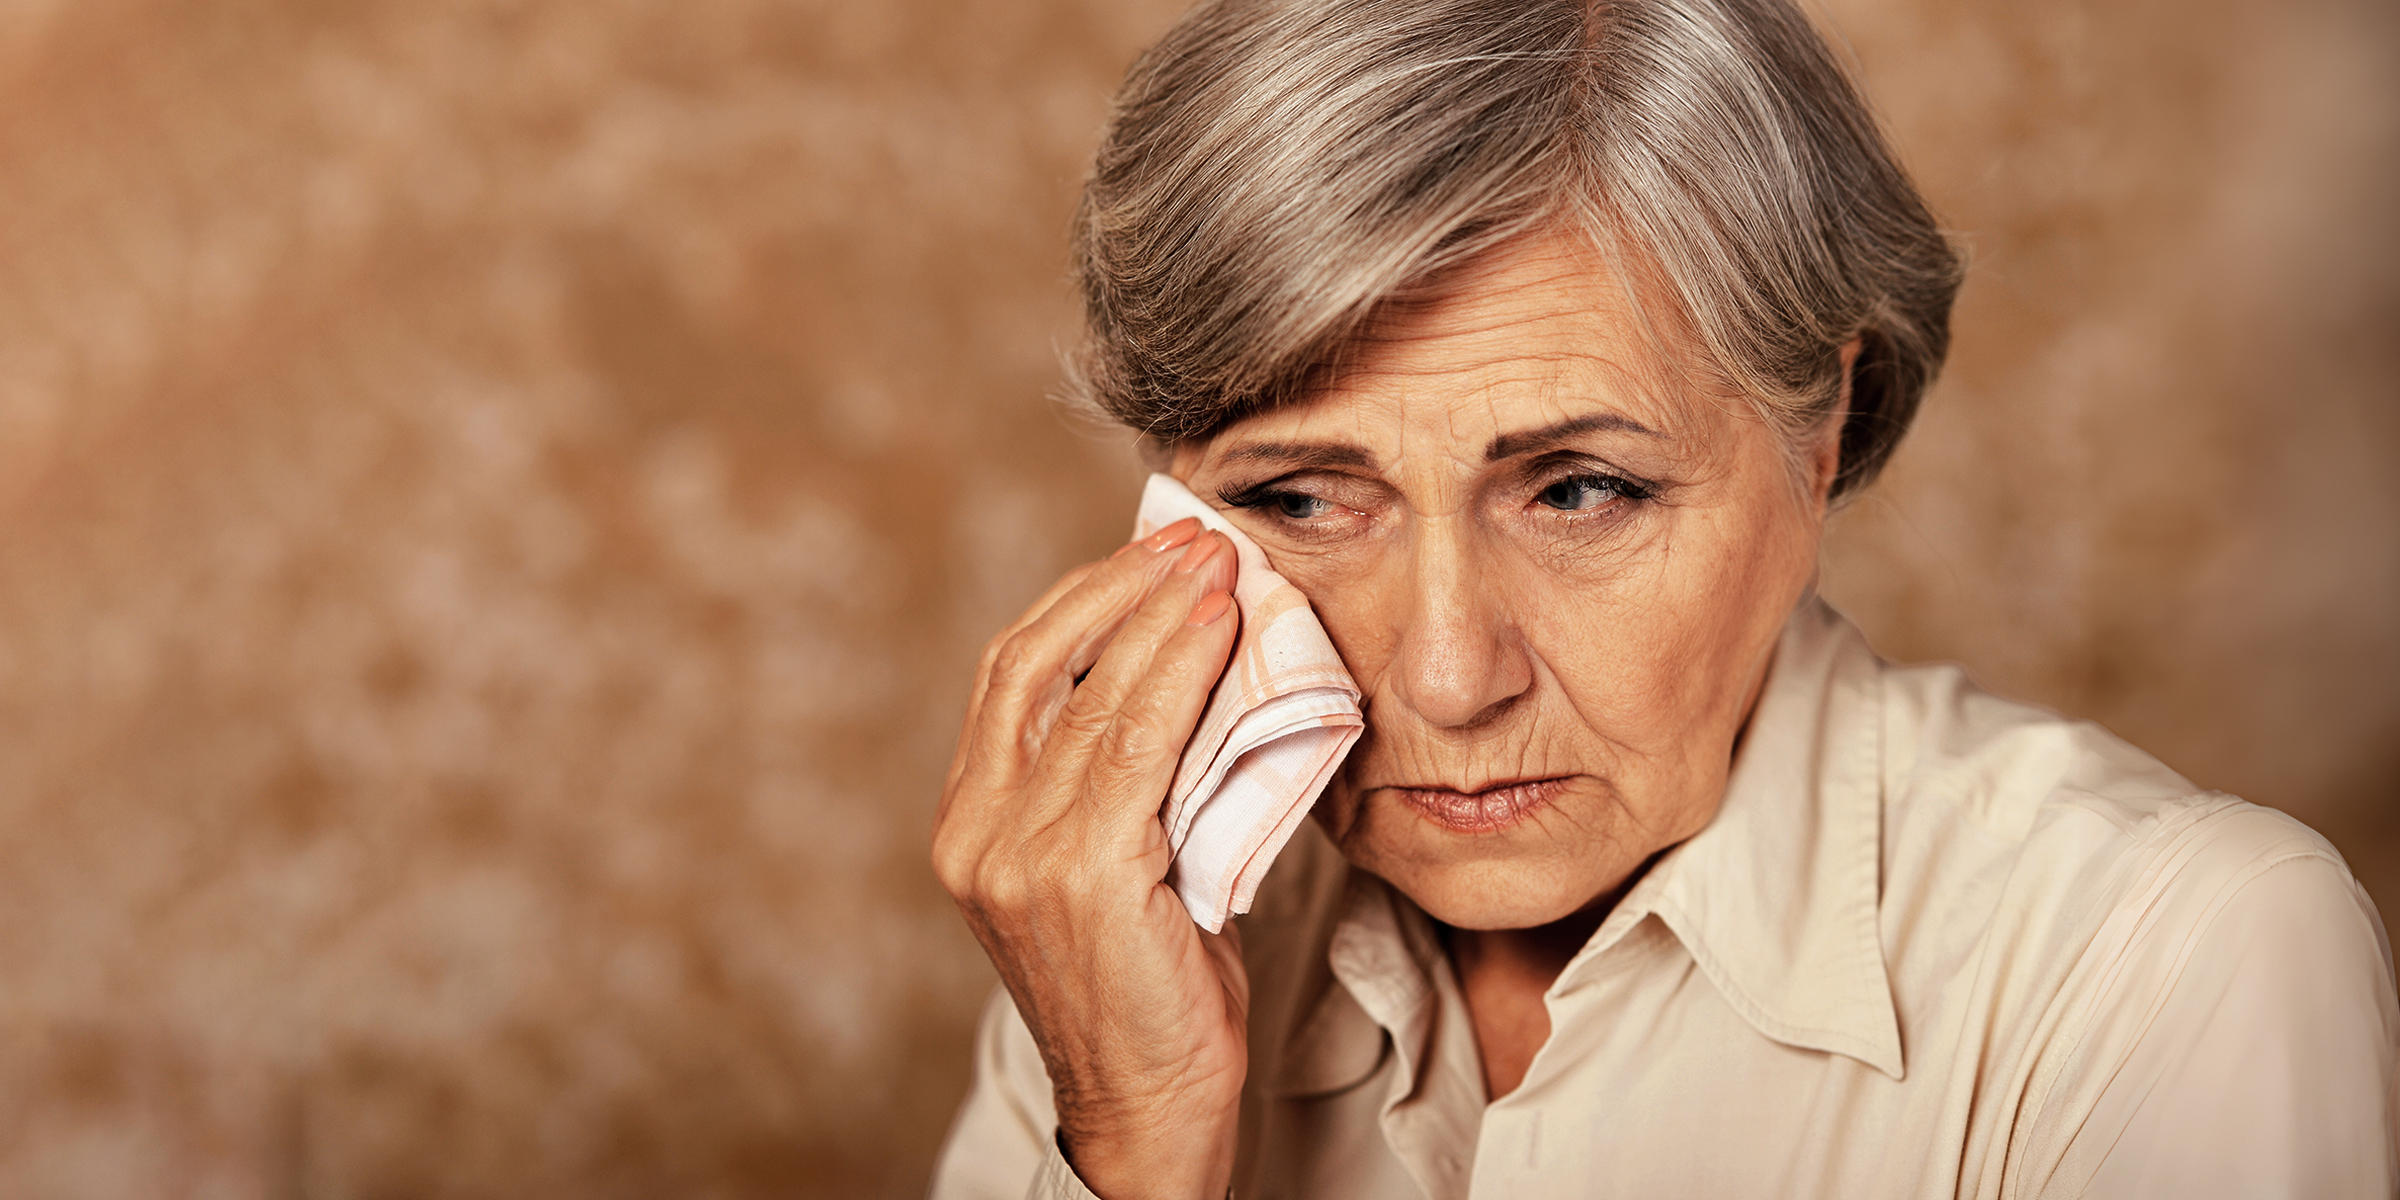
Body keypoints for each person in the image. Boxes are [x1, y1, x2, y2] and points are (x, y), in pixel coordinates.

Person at [926, 0, 2400, 1196]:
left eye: (1581, 491)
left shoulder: (2167, 960)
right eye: (1301, 500)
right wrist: (1131, 1135)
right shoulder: (1131, 950)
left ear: (1823, 430)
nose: (1446, 676)